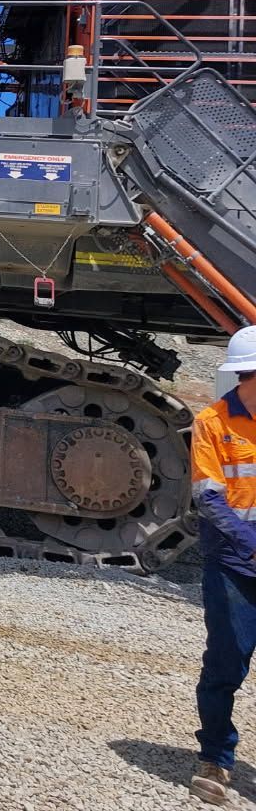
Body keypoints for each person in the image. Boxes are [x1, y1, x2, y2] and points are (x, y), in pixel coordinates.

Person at [190, 324, 256, 803]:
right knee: (226, 663)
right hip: (234, 564)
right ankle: (215, 756)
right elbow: (209, 498)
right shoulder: (213, 422)